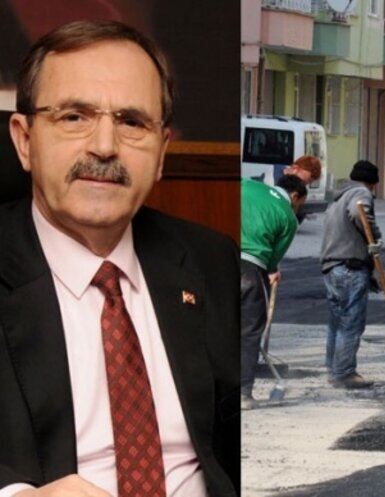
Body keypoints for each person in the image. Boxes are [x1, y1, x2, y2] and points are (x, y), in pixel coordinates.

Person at [0, 21, 239, 496]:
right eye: (74, 117)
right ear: (25, 140)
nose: (105, 147)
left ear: (163, 151)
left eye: (132, 122)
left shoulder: (211, 260)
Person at [239, 175, 307, 410]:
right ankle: (243, 393)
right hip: (251, 269)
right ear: (295, 196)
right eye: (300, 204)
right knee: (248, 332)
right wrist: (271, 271)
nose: (298, 209)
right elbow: (274, 258)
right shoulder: (288, 216)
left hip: (219, 256)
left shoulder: (247, 185)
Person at [320, 160, 382, 389]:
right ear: (373, 182)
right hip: (350, 267)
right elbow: (360, 213)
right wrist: (374, 238)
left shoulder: (338, 198)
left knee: (336, 321)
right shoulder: (360, 193)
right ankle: (344, 372)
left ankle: (333, 369)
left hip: (332, 266)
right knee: (351, 321)